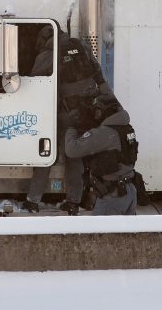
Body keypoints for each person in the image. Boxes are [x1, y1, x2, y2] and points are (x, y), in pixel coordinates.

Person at [23, 28, 102, 215]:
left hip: (64, 113)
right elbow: (96, 72)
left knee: (45, 154)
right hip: (85, 112)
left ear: (44, 39)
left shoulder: (50, 52)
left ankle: (33, 200)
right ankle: (74, 201)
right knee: (74, 157)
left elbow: (34, 81)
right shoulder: (80, 47)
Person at [64, 93, 138, 216]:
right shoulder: (126, 127)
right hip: (129, 190)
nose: (96, 116)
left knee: (102, 234)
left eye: (97, 112)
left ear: (106, 111)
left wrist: (72, 127)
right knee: (125, 234)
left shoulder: (106, 132)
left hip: (113, 195)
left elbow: (72, 149)